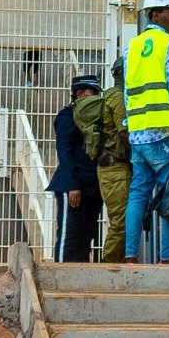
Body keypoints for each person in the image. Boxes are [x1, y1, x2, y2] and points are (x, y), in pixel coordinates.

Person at [123, 0, 169, 262]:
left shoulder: (132, 47)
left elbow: (128, 93)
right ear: (155, 14)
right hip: (164, 132)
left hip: (138, 133)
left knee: (138, 193)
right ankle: (165, 259)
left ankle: (130, 257)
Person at [77, 56, 130, 264]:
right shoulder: (117, 97)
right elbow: (124, 133)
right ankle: (109, 265)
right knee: (121, 221)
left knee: (123, 219)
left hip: (115, 167)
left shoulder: (115, 95)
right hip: (115, 167)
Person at [50, 75, 103, 261]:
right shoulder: (68, 117)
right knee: (69, 238)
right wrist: (73, 185)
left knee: (85, 239)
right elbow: (64, 152)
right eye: (90, 94)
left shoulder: (98, 119)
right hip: (73, 186)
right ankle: (62, 283)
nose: (94, 99)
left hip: (94, 188)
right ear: (78, 94)